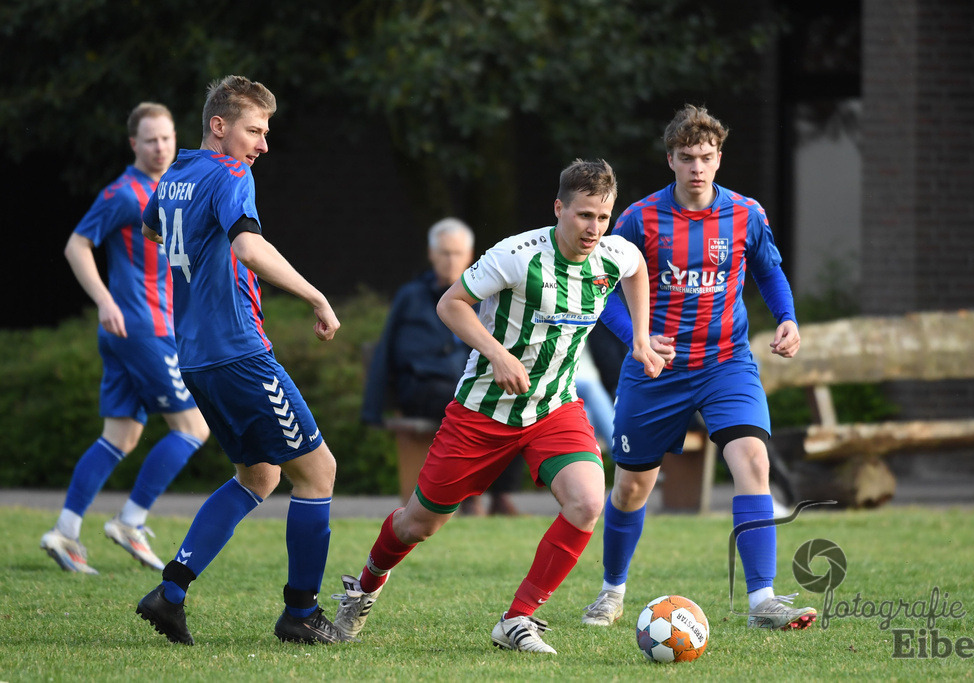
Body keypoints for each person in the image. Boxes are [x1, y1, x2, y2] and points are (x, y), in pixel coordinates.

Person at [332, 159, 666, 655]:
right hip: (482, 411)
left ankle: (517, 619)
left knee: (589, 501)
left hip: (555, 407)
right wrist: (497, 353)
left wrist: (640, 337)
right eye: (583, 216)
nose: (594, 228)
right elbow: (450, 304)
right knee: (417, 524)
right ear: (559, 209)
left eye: (602, 216)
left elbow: (636, 269)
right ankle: (365, 585)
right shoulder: (516, 254)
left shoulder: (613, 254)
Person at [581, 104, 817, 631]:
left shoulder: (746, 214)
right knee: (631, 489)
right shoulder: (639, 219)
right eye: (686, 157)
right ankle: (611, 591)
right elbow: (601, 292)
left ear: (718, 159)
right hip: (656, 370)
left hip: (726, 363)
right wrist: (637, 338)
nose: (697, 167)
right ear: (670, 160)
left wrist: (787, 319)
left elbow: (770, 272)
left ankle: (763, 602)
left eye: (706, 157)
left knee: (752, 461)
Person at [135, 75, 346, 645]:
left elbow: (154, 229)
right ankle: (300, 612)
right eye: (254, 130)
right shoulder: (232, 173)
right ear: (219, 126)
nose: (262, 144)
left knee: (259, 474)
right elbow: (249, 246)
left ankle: (170, 592)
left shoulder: (176, 173)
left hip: (196, 357)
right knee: (318, 471)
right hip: (237, 352)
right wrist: (317, 297)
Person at [41, 102, 210, 575]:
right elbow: (76, 245)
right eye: (150, 140)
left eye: (167, 138)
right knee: (194, 428)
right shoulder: (124, 193)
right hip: (142, 330)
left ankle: (65, 532)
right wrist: (104, 300)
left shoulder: (172, 187)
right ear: (133, 144)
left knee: (120, 435)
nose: (160, 147)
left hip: (134, 332)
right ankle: (130, 521)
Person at [361, 217, 523, 516]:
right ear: (431, 255)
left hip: (465, 383)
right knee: (468, 404)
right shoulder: (411, 296)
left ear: (470, 255)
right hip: (422, 388)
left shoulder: (485, 296)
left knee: (517, 399)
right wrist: (373, 409)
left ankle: (499, 496)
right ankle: (468, 496)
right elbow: (387, 350)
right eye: (445, 253)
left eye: (457, 253)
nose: (451, 260)